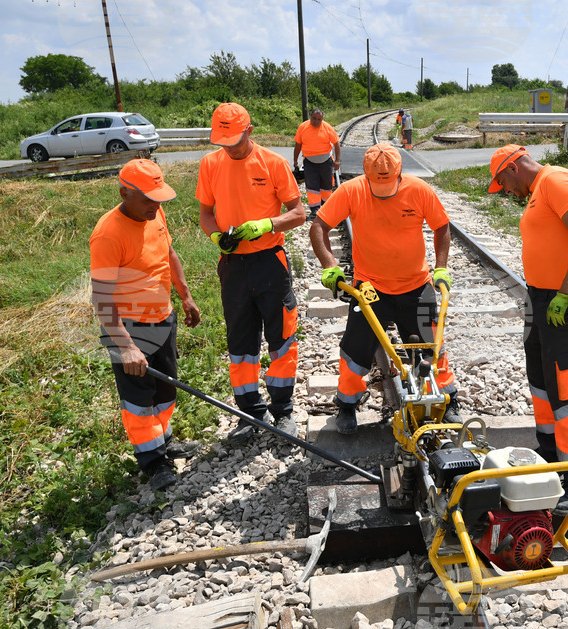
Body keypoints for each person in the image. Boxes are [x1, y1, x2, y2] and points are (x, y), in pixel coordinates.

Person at [309, 142, 460, 434]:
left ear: (399, 173)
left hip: (416, 284)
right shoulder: (351, 190)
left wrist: (441, 267)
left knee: (432, 346)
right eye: (377, 185)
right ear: (366, 175)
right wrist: (329, 265)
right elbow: (319, 226)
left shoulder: (419, 190)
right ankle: (347, 404)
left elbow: (442, 226)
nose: (383, 190)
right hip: (370, 287)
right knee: (354, 350)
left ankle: (447, 398)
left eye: (389, 184)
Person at [487, 144, 568, 514]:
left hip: (565, 300)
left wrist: (566, 293)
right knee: (540, 378)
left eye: (503, 182)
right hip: (540, 299)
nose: (505, 190)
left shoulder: (556, 180)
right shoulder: (538, 192)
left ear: (513, 167)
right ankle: (550, 453)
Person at [196, 102, 306, 443]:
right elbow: (206, 213)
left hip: (269, 261)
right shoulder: (210, 164)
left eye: (235, 141)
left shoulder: (272, 163)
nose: (229, 148)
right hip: (233, 267)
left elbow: (299, 213)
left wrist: (267, 224)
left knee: (281, 337)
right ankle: (249, 412)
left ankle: (283, 410)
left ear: (249, 131)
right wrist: (216, 236)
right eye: (223, 142)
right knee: (240, 342)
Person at [90, 158, 202, 490]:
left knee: (166, 388)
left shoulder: (155, 213)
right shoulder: (108, 234)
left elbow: (168, 254)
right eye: (147, 199)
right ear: (124, 193)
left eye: (158, 198)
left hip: (162, 316)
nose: (155, 205)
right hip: (129, 327)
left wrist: (186, 296)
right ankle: (153, 462)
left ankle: (163, 442)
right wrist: (126, 347)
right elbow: (102, 298)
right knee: (139, 399)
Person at [293, 108, 341, 219]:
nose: (316, 121)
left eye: (319, 119)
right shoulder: (303, 127)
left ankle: (326, 206)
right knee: (312, 186)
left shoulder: (327, 127)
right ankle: (315, 209)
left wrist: (337, 160)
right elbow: (298, 145)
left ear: (322, 119)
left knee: (327, 185)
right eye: (314, 118)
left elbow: (336, 143)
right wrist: (295, 160)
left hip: (326, 161)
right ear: (310, 117)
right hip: (309, 162)